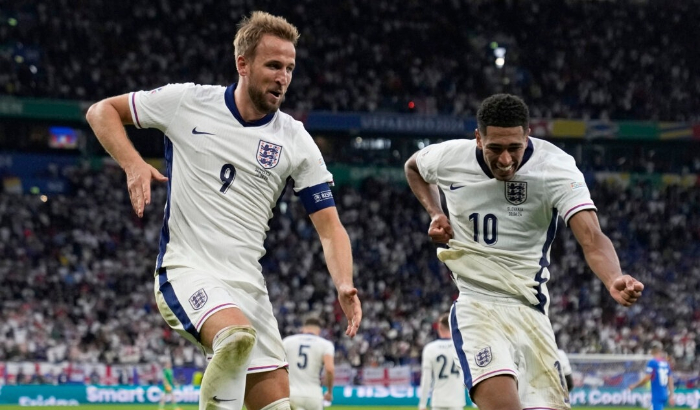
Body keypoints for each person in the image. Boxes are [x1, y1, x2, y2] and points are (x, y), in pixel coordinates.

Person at [85, 11, 362, 410]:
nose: (283, 77)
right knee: (235, 337)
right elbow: (101, 111)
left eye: (289, 68)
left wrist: (343, 282)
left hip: (249, 287)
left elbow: (330, 228)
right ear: (243, 64)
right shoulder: (187, 102)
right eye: (273, 65)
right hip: (187, 269)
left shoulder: (295, 139)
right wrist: (132, 163)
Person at [404, 93, 644, 410]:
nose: (505, 160)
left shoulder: (555, 167)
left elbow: (591, 236)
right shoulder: (449, 157)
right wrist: (435, 212)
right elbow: (413, 167)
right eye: (495, 148)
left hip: (532, 311)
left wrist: (613, 276)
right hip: (478, 304)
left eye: (514, 148)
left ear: (527, 135)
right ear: (478, 138)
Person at [282, 317, 335, 410]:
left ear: (303, 329)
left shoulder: (287, 341)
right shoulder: (325, 344)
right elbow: (329, 369)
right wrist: (329, 392)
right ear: (319, 331)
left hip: (291, 394)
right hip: (314, 395)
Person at [418, 313, 466, 410]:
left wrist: (422, 404)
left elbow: (426, 379)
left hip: (438, 400)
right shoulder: (462, 346)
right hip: (457, 401)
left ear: (439, 327)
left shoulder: (430, 348)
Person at [628, 342, 675, 410]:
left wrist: (634, 385)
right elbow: (670, 380)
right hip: (664, 394)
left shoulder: (652, 362)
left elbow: (647, 378)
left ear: (652, 351)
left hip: (657, 394)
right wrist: (671, 395)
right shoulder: (666, 364)